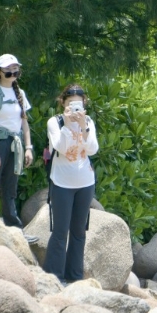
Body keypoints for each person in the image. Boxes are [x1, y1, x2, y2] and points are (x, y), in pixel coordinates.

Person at [43, 84, 99, 284]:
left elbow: (92, 150)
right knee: (60, 232)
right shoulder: (55, 122)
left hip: (85, 182)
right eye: (70, 104)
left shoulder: (88, 122)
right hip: (61, 183)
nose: (75, 108)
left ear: (84, 104)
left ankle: (74, 278)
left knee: (79, 232)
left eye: (78, 104)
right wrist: (67, 125)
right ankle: (54, 278)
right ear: (63, 103)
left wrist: (83, 127)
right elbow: (61, 148)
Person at [0, 53, 37, 243]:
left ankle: (15, 232)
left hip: (15, 144)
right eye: (8, 70)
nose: (13, 73)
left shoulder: (20, 93)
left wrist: (28, 148)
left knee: (10, 189)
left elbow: (24, 123)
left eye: (15, 69)